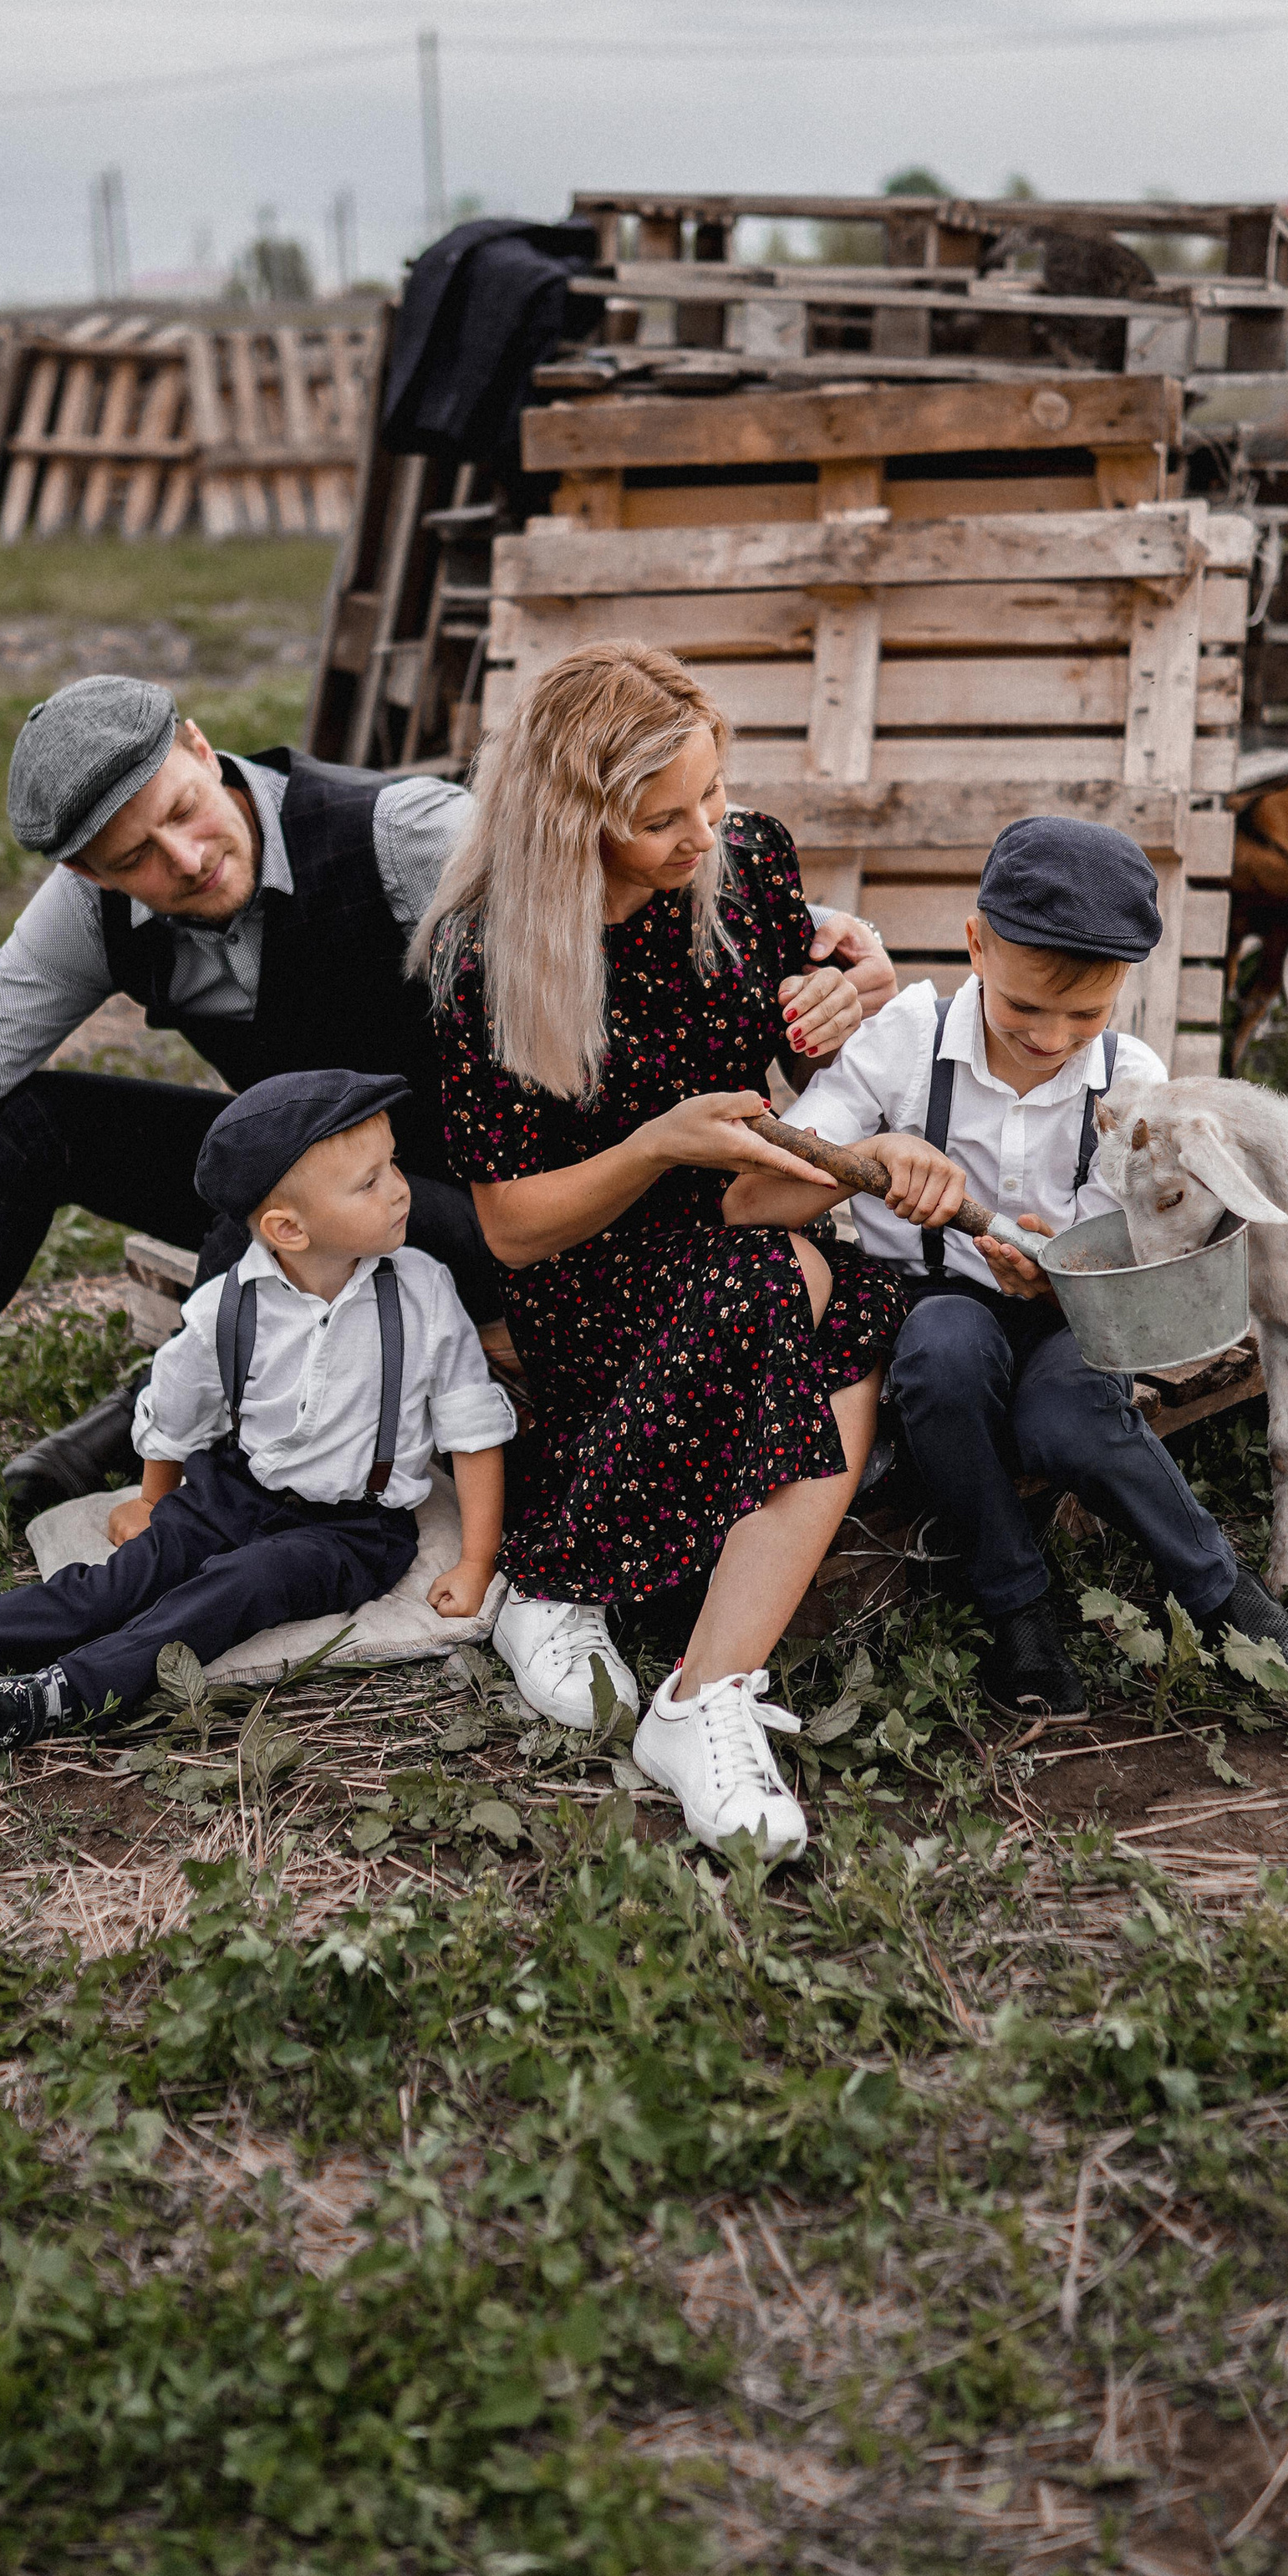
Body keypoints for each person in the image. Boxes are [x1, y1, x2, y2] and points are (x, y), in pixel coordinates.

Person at [0, 673, 893, 1594]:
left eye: (180, 814)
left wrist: (826, 935)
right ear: (91, 876)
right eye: (131, 863)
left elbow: (608, 868)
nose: (182, 859)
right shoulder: (94, 912)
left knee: (275, 1191)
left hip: (474, 1197)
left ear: (202, 750)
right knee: (30, 1119)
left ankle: (172, 1438)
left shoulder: (399, 832)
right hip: (293, 1189)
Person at [420, 640, 907, 1867]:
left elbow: (801, 1053)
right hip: (587, 1278)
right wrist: (652, 1148)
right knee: (783, 1287)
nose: (705, 834)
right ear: (576, 823)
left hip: (735, 1218)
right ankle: (552, 1579)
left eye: (715, 794)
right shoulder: (489, 962)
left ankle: (700, 1697)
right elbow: (512, 1226)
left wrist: (854, 996)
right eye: (661, 820)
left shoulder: (748, 869)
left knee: (850, 1304)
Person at [727, 815, 1288, 1719]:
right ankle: (1015, 1604)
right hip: (931, 1302)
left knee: (1072, 1415)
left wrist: (1060, 1270)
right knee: (942, 1359)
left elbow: (1131, 1241)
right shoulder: (905, 1039)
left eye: (1086, 1014)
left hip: (1067, 1313)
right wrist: (877, 1153)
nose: (1051, 1036)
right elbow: (769, 1182)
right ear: (976, 947)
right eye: (1026, 1008)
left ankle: (1216, 1587)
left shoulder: (1127, 1074)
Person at [0, 1071, 515, 1760]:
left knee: (235, 1589)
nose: (400, 1192)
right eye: (371, 1181)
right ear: (287, 1228)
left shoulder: (423, 1293)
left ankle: (58, 1694)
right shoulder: (226, 1308)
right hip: (234, 1489)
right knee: (116, 1583)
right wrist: (152, 1498)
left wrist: (477, 1560)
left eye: (395, 1166)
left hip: (352, 1527)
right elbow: (175, 1411)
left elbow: (472, 1426)